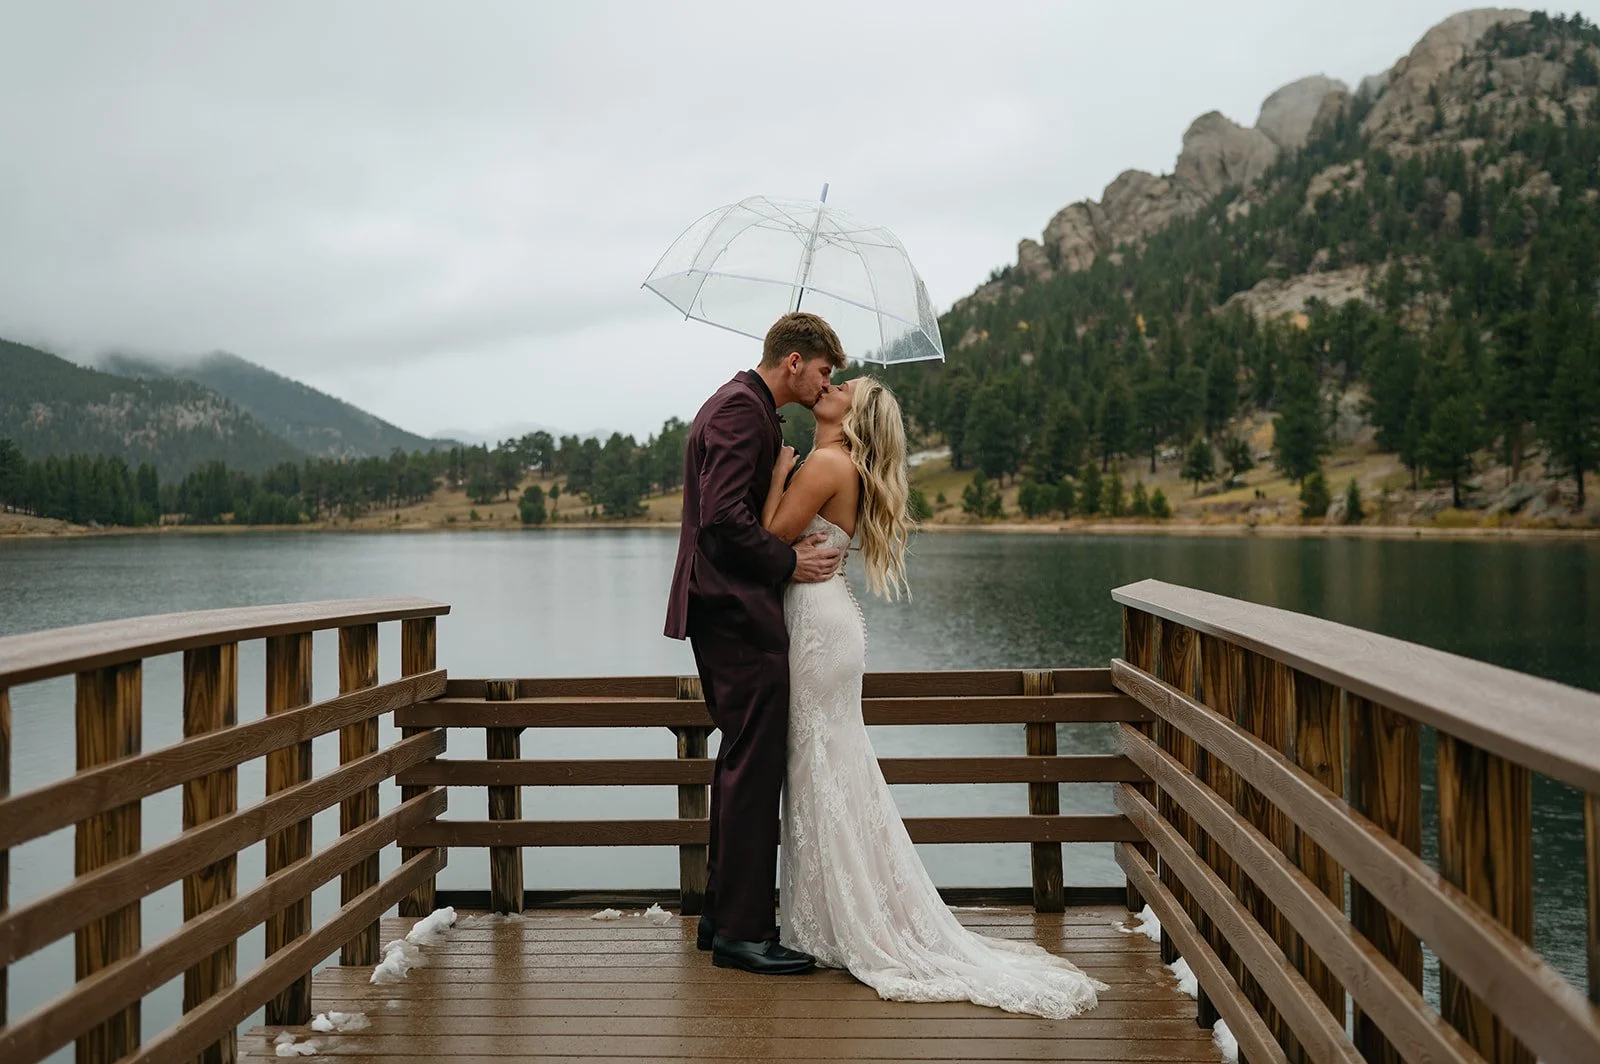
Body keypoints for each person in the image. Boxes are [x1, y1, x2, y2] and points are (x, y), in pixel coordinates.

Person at [759, 374, 1106, 1018]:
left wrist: (779, 468)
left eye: (843, 386)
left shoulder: (828, 461)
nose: (829, 386)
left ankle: (839, 920)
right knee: (830, 765)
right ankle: (830, 917)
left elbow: (771, 535)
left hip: (815, 625)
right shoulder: (842, 462)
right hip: (827, 620)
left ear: (854, 412)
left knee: (819, 764)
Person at [664, 311, 846, 975]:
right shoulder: (742, 412)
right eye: (824, 370)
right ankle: (743, 932)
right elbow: (722, 521)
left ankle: (722, 917)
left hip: (723, 611)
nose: (828, 383)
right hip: (735, 613)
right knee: (753, 767)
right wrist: (787, 564)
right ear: (793, 361)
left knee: (740, 762)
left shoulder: (743, 407)